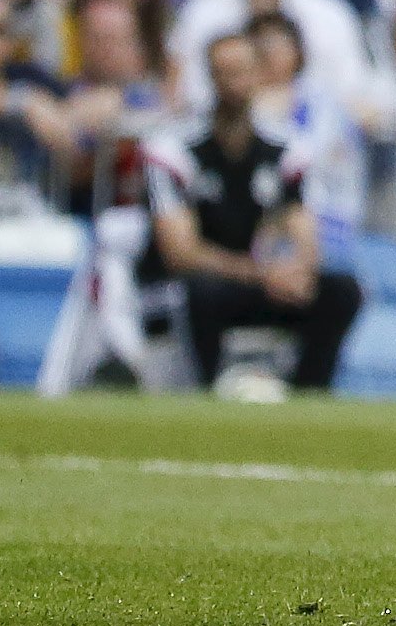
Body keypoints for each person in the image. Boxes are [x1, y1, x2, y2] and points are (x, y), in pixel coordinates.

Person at [139, 27, 362, 392]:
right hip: (204, 282)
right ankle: (207, 387)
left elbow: (304, 231)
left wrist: (294, 271)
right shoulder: (175, 150)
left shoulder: (284, 148)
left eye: (241, 71)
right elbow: (181, 252)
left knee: (340, 291)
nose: (233, 83)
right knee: (203, 291)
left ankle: (309, 393)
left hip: (257, 280)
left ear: (259, 74)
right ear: (209, 78)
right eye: (222, 72)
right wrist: (260, 274)